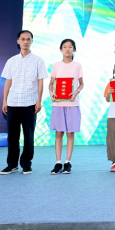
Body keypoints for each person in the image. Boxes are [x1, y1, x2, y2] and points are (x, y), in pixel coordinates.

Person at [0, 30, 48, 175]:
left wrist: (39, 100)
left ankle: (26, 164)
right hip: (13, 102)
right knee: (12, 136)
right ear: (18, 41)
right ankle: (12, 165)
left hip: (30, 103)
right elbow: (8, 81)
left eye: (28, 39)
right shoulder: (11, 61)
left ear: (32, 41)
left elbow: (40, 82)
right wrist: (4, 100)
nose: (26, 41)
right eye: (23, 39)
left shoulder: (38, 61)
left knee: (29, 136)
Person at [48, 39, 84, 175]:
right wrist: (51, 93)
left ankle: (68, 162)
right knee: (59, 133)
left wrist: (76, 92)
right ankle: (58, 162)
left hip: (72, 103)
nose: (67, 49)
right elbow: (51, 83)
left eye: (70, 47)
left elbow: (81, 84)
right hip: (58, 103)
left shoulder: (77, 66)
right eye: (65, 47)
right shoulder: (56, 65)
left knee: (70, 133)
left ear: (74, 49)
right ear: (61, 49)